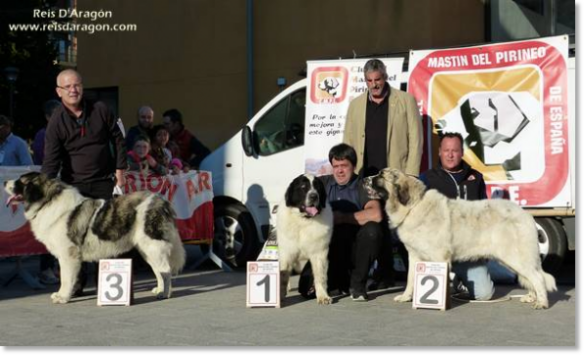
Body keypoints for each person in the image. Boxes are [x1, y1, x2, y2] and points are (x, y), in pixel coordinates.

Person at [42, 69, 127, 297]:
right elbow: (51, 161)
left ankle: (106, 285)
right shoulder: (56, 122)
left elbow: (118, 138)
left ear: (82, 86)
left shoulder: (101, 109)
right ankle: (76, 285)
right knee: (74, 236)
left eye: (77, 84)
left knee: (104, 233)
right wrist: (44, 192)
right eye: (67, 87)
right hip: (74, 188)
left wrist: (120, 170)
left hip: (103, 182)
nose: (73, 90)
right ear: (59, 92)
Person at [342, 58, 423, 289]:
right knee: (377, 226)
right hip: (366, 175)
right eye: (370, 81)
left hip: (395, 175)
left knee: (403, 226)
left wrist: (412, 174)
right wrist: (350, 171)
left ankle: (414, 276)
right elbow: (348, 138)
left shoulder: (405, 101)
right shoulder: (356, 105)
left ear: (385, 77)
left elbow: (416, 139)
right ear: (365, 81)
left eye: (378, 80)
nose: (374, 84)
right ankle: (383, 273)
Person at [299, 143, 385, 302]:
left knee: (373, 230)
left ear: (353, 166)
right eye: (336, 166)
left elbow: (376, 214)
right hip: (327, 250)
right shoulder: (321, 183)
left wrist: (343, 217)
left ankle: (358, 285)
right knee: (305, 290)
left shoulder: (364, 185)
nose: (339, 170)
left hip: (355, 250)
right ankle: (335, 282)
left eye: (344, 165)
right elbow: (300, 199)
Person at [419, 132, 494, 301]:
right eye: (446, 150)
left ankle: (461, 278)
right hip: (438, 251)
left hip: (467, 251)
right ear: (439, 152)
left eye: (455, 150)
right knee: (436, 295)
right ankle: (450, 277)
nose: (450, 155)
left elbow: (485, 213)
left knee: (484, 294)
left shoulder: (476, 178)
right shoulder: (426, 179)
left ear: (462, 152)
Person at [32, 99, 62, 285]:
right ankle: (46, 268)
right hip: (47, 189)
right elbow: (46, 160)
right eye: (57, 114)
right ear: (48, 117)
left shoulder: (62, 132)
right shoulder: (43, 135)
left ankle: (58, 267)